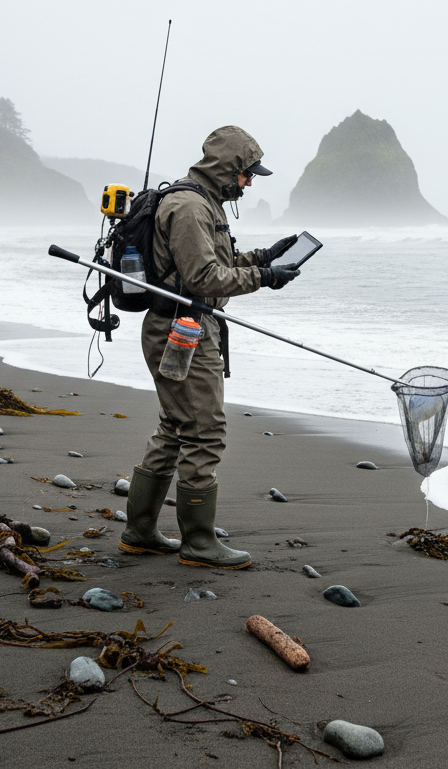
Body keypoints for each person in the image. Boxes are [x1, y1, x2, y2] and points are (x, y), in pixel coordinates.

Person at [119, 125, 299, 568]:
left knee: (176, 427)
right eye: (247, 174)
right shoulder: (189, 207)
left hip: (183, 328)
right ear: (229, 168)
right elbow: (204, 280)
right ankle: (198, 543)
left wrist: (261, 258)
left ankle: (140, 531)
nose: (249, 183)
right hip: (180, 331)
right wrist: (265, 279)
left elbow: (206, 266)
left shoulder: (201, 202)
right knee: (204, 431)